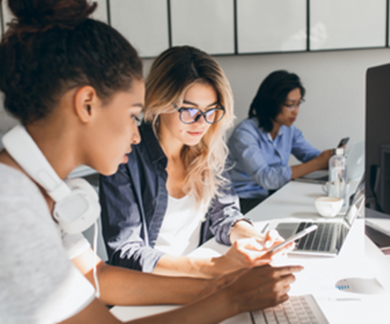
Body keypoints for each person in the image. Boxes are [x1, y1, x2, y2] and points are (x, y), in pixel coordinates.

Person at [0, 1, 301, 322]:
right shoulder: (11, 205)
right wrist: (229, 299)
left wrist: (218, 286)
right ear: (87, 104)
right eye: (132, 115)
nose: (135, 134)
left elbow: (99, 278)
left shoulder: (41, 193)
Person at [99, 46, 289, 278]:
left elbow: (225, 215)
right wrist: (211, 268)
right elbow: (125, 252)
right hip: (152, 287)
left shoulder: (208, 152)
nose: (202, 123)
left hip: (201, 277)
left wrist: (258, 239)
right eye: (190, 111)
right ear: (161, 102)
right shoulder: (124, 157)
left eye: (211, 111)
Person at [227, 70, 333, 213]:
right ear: (272, 103)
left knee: (309, 204)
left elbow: (312, 157)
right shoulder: (245, 134)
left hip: (271, 194)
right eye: (290, 105)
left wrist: (334, 159)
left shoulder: (289, 130)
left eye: (298, 104)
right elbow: (266, 178)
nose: (296, 111)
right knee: (299, 210)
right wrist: (319, 163)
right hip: (242, 201)